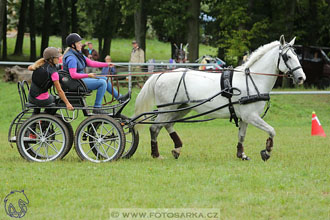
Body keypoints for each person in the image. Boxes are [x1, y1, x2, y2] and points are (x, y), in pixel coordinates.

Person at [62, 33, 129, 114]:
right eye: (79, 43)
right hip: (75, 83)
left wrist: (107, 64)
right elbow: (73, 75)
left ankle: (120, 98)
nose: (81, 45)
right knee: (102, 83)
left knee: (105, 79)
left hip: (80, 80)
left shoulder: (78, 54)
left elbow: (91, 63)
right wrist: (88, 75)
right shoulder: (71, 58)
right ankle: (97, 107)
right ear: (73, 45)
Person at [28, 47, 74, 115]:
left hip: (31, 96)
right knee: (57, 101)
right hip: (39, 99)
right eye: (57, 57)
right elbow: (59, 91)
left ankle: (34, 120)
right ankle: (45, 119)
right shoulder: (53, 72)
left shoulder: (40, 65)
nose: (59, 59)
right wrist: (68, 104)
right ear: (51, 59)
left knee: (51, 97)